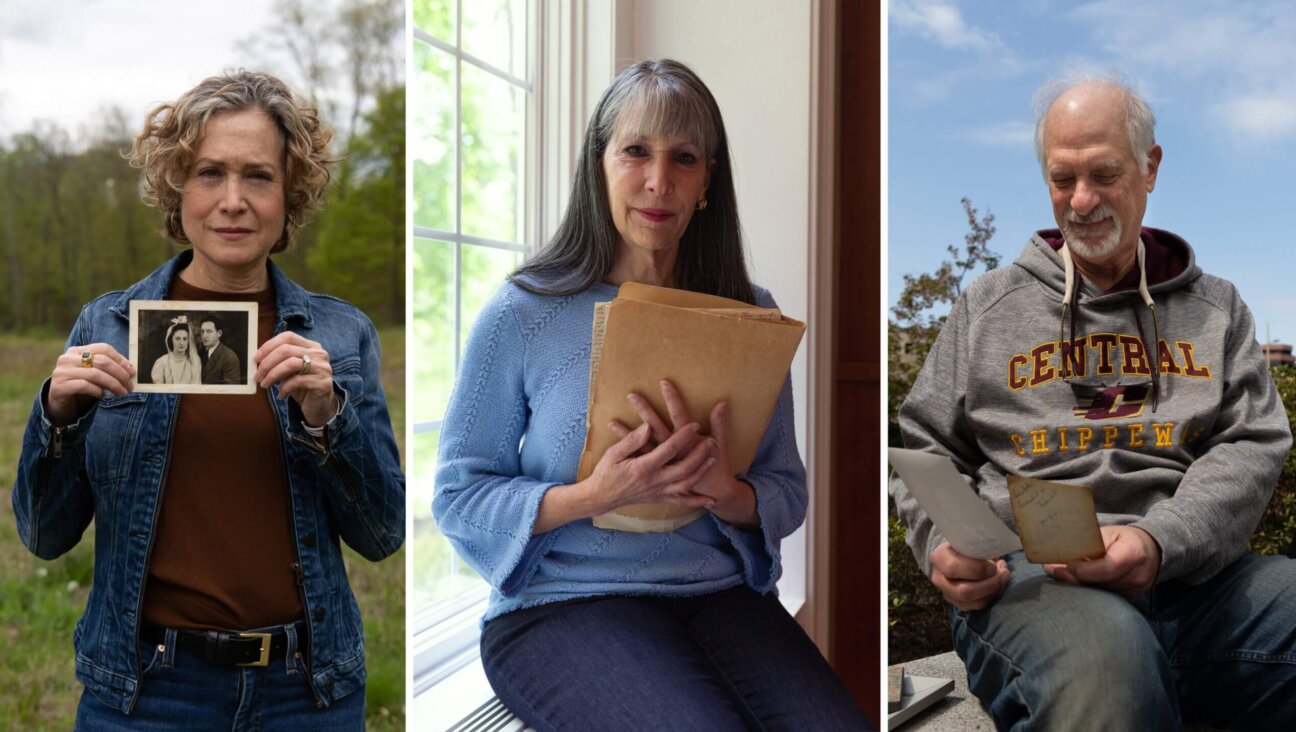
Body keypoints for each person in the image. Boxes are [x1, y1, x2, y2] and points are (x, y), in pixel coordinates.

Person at [434, 59, 871, 731]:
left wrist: (727, 493)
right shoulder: (522, 312)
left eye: (684, 158)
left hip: (720, 596)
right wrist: (594, 496)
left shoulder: (749, 315)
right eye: (636, 151)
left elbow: (787, 488)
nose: (658, 181)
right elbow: (458, 496)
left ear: (707, 182)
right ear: (599, 163)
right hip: (561, 608)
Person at [890, 71, 1296, 730]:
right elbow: (927, 445)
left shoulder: (1216, 307)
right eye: (1061, 179)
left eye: (1103, 174)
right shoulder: (987, 307)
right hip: (1033, 581)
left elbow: (1250, 445)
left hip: (1196, 583)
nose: (1081, 202)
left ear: (1149, 167)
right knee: (1110, 664)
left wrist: (1156, 542)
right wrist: (942, 543)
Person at [12, 70, 404, 729]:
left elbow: (382, 532)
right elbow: (44, 535)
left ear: (289, 194)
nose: (233, 200)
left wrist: (326, 415)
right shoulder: (107, 326)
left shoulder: (339, 336)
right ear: (177, 187)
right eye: (209, 174)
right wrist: (58, 415)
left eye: (258, 176)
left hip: (305, 694)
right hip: (144, 694)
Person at [150, 318, 202, 385]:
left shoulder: (194, 361)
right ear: (171, 340)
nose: (181, 342)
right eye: (178, 339)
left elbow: (196, 388)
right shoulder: (161, 362)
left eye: (185, 339)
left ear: (188, 341)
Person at [198, 313, 240, 384]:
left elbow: (231, 391)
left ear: (219, 333)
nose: (204, 336)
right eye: (202, 331)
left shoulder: (230, 358)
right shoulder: (199, 351)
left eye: (209, 331)